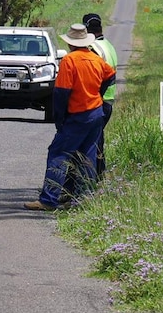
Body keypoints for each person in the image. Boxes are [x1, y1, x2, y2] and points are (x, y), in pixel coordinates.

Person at [24, 23, 116, 211]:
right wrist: (98, 93)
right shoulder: (96, 59)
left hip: (78, 115)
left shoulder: (69, 60)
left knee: (58, 153)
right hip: (96, 114)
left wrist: (59, 118)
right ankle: (84, 200)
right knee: (87, 156)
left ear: (71, 43)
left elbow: (61, 92)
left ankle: (49, 199)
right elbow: (110, 76)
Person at [83, 12, 118, 179]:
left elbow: (96, 76)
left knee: (90, 144)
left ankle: (90, 181)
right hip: (108, 101)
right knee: (98, 142)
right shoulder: (109, 45)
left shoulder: (94, 49)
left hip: (98, 101)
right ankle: (99, 178)